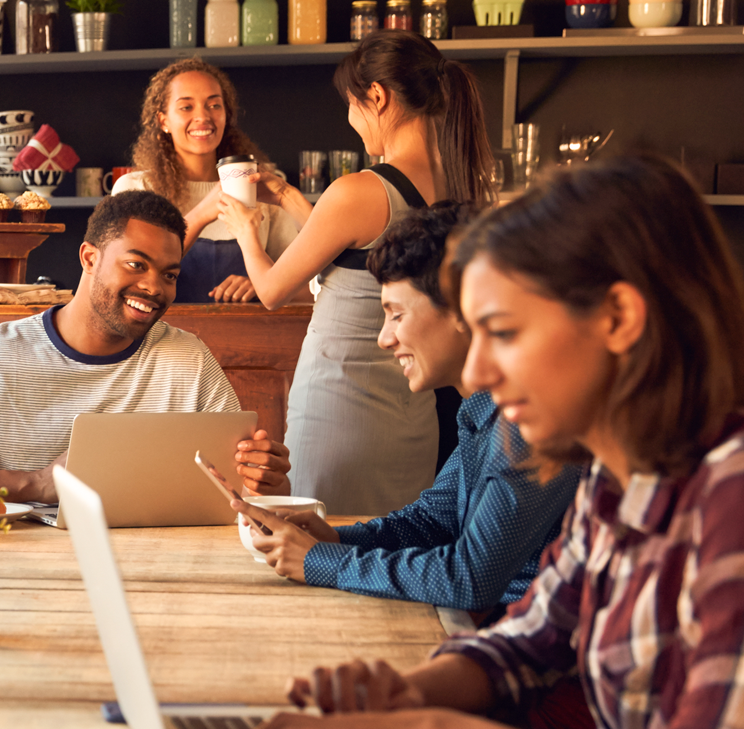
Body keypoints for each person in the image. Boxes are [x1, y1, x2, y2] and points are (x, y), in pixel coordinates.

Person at [240, 157, 744, 729]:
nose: (479, 370)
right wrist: (406, 693)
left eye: (502, 332)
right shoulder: (618, 476)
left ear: (618, 319)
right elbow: (531, 640)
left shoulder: (728, 496)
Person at [241, 203, 582, 617]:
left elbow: (470, 579)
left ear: (463, 310)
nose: (384, 339)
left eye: (396, 315)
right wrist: (334, 539)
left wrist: (319, 561)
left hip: (533, 649)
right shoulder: (483, 409)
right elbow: (431, 522)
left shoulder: (531, 419)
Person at [219, 30, 495, 515]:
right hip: (413, 416)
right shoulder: (458, 183)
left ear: (377, 96)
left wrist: (245, 227)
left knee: (326, 548)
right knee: (394, 551)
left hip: (340, 407)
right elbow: (362, 255)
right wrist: (286, 197)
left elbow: (270, 290)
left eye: (351, 104)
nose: (351, 120)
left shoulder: (360, 190)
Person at [0, 190, 291, 504]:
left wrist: (268, 477)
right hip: (20, 574)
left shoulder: (188, 360)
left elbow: (248, 488)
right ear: (89, 258)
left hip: (160, 570)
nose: (154, 287)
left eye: (168, 274)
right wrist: (37, 483)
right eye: (136, 265)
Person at [112, 59, 303, 304]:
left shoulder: (260, 189)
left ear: (226, 116)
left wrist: (262, 284)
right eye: (186, 107)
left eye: (214, 105)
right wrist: (203, 212)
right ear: (163, 121)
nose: (203, 116)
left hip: (249, 339)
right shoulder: (135, 189)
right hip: (160, 339)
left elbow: (312, 288)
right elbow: (125, 278)